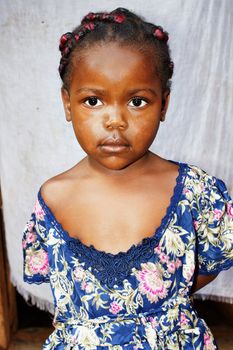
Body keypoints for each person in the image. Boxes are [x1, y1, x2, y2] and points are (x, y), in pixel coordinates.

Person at [22, 7, 233, 349]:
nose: (115, 121)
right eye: (93, 101)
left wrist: (161, 304)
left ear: (163, 104)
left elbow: (205, 267)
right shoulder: (52, 199)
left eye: (137, 101)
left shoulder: (197, 192)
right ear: (67, 104)